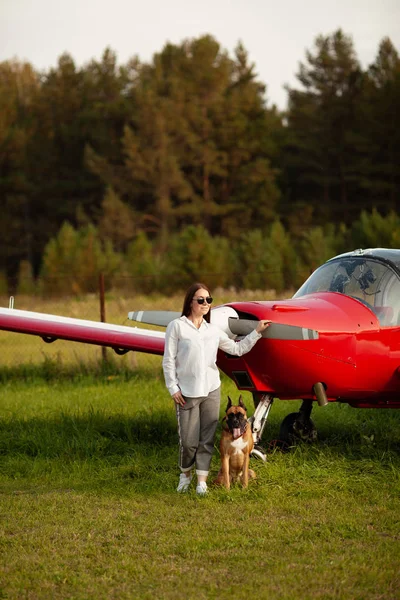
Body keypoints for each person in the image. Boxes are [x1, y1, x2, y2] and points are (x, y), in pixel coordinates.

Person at [162, 282, 271, 495]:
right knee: (188, 441)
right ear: (190, 303)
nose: (205, 304)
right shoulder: (177, 326)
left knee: (207, 438)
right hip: (186, 393)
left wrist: (256, 332)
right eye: (201, 300)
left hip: (211, 390)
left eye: (209, 300)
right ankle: (185, 474)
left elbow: (237, 349)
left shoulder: (213, 331)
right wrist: (173, 387)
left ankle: (201, 480)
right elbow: (168, 360)